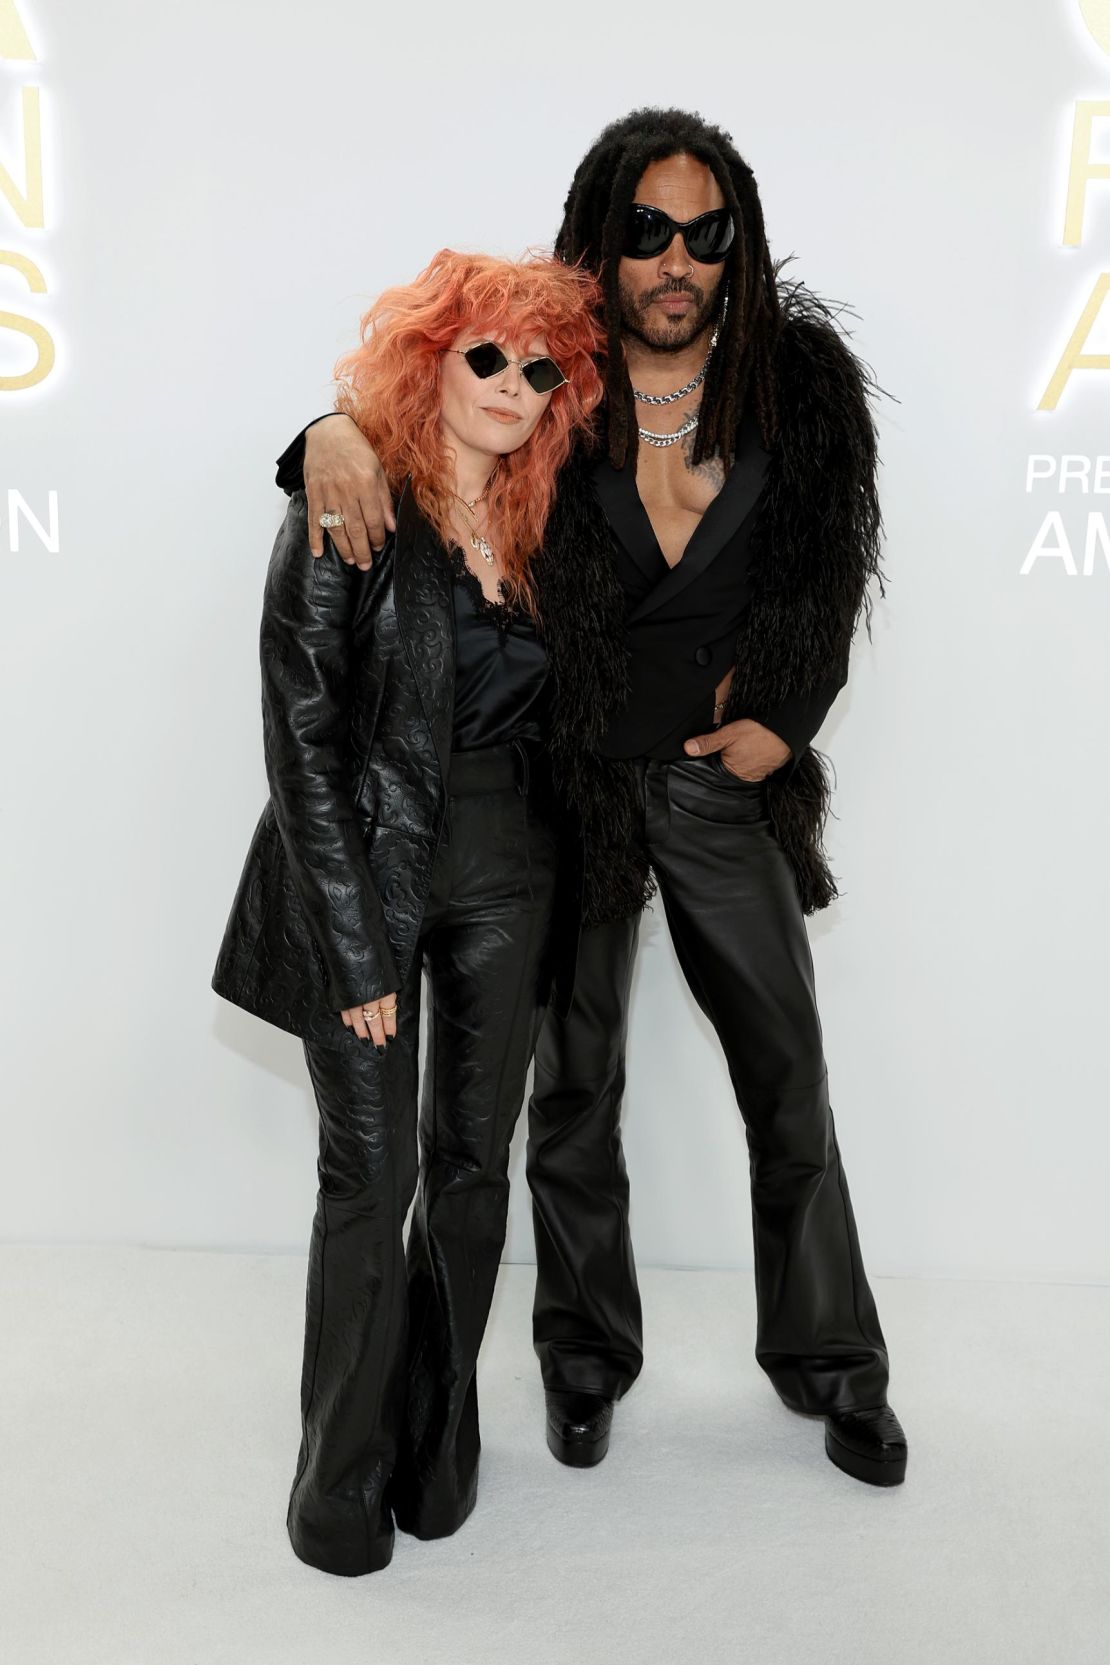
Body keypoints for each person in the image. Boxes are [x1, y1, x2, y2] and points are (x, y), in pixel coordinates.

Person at [274, 107, 908, 1490]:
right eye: (645, 231)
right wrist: (322, 428)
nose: (674, 258)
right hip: (569, 791)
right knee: (573, 1092)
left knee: (786, 1082)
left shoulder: (794, 381)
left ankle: (831, 1365)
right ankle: (582, 1357)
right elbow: (422, 397)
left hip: (714, 787)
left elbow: (828, 564)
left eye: (703, 231)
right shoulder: (555, 373)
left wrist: (779, 727)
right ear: (600, 240)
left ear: (733, 241)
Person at [212, 249, 612, 1577]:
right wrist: (351, 939)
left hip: (513, 881)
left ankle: (439, 1446)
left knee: (468, 1175)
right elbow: (302, 737)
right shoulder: (351, 496)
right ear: (430, 356)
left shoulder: (555, 522)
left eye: (536, 367)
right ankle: (337, 1482)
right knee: (366, 1179)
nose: (509, 383)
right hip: (370, 878)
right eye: (483, 354)